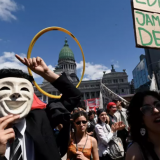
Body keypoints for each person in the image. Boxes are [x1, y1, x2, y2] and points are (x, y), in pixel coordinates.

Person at [0, 55, 82, 160]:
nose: (16, 93)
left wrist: (46, 73)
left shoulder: (42, 119)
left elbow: (73, 96)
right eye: (6, 87)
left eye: (24, 89)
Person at [126, 91, 160, 160]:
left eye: (158, 105)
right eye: (147, 109)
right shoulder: (135, 153)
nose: (156, 110)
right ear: (140, 119)